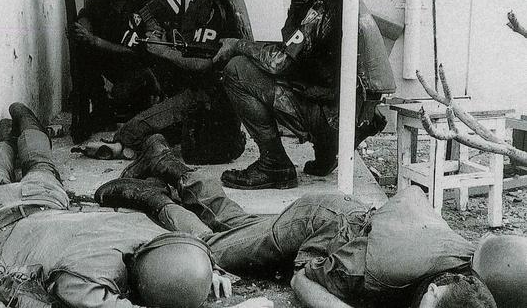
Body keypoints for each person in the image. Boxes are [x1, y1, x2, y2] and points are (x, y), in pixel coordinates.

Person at [94, 134, 527, 308]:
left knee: (239, 227)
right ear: (433, 287)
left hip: (345, 218)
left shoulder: (460, 262)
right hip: (317, 225)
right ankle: (150, 195)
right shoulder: (381, 269)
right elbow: (304, 279)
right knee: (212, 250)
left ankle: (166, 160)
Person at [0, 102, 272, 308]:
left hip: (41, 204)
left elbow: (181, 242)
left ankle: (17, 134)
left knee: (39, 164)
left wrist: (205, 268)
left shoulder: (141, 228)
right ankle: (9, 141)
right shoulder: (86, 279)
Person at [211, 0, 396, 189]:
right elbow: (301, 53)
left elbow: (280, 62)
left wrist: (238, 46)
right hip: (347, 114)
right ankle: (326, 155)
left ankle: (273, 164)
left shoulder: (323, 6)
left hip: (335, 120)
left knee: (237, 70)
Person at [112, 0, 253, 165]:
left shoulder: (213, 0)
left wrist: (162, 50)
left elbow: (203, 64)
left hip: (207, 114)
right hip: (221, 112)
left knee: (129, 132)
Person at [69, 0, 164, 143]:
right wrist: (81, 27)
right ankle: (100, 110)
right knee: (80, 47)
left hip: (141, 68)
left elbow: (142, 52)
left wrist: (94, 40)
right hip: (116, 62)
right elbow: (87, 14)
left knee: (125, 101)